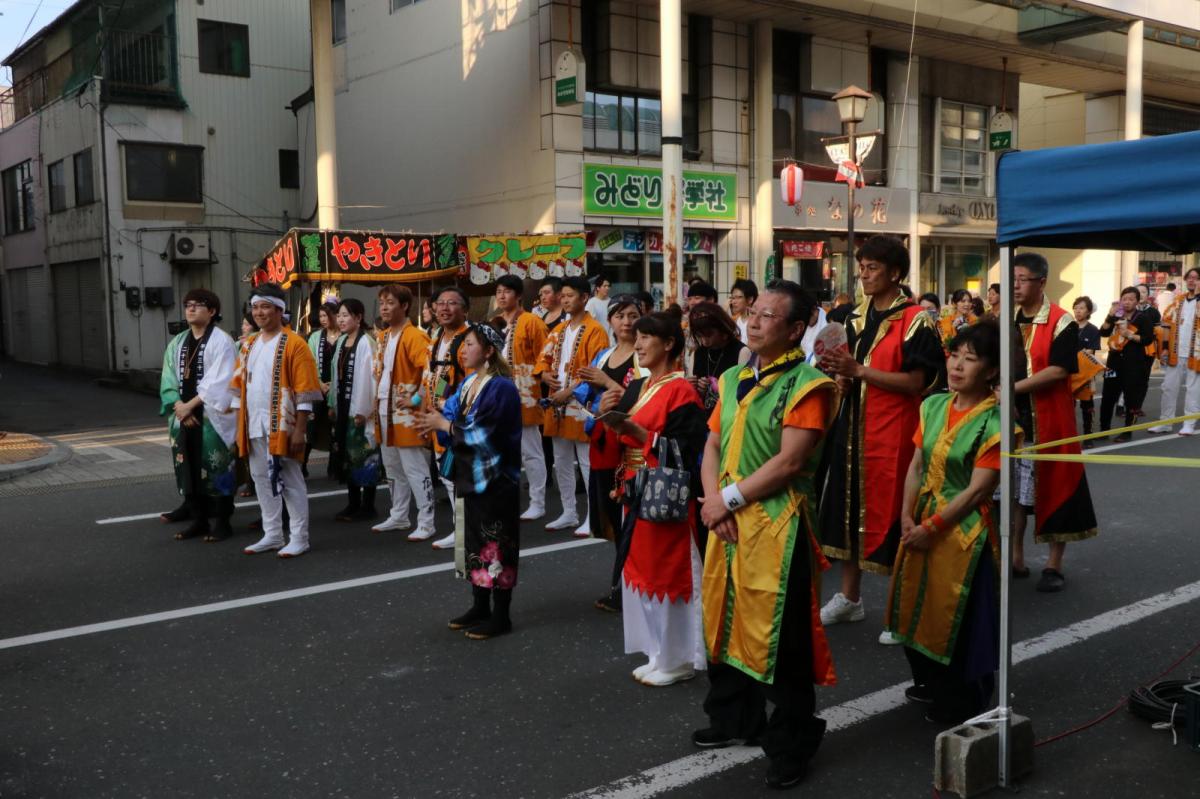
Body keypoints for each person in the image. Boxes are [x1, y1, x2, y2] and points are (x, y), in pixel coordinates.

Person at [694, 280, 837, 791]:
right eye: (752, 312)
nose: (753, 321)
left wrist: (726, 500)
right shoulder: (733, 375)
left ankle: (791, 743)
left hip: (778, 526)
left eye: (767, 316)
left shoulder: (809, 385)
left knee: (783, 639)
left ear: (796, 329)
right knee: (723, 619)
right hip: (727, 520)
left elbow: (792, 461)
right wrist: (714, 502)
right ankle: (734, 719)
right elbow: (712, 444)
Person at [817, 235, 944, 642]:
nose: (864, 274)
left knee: (892, 514)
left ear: (895, 273)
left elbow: (919, 382)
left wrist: (859, 372)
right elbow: (851, 371)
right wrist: (839, 375)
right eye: (862, 267)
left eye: (872, 268)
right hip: (851, 428)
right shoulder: (853, 316)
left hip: (894, 432)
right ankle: (850, 598)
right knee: (848, 508)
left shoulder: (916, 320)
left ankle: (900, 608)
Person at [887, 320, 1007, 725]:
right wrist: (906, 516)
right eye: (954, 355)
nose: (956, 365)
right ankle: (930, 684)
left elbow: (977, 490)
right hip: (920, 524)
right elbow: (916, 465)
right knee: (915, 608)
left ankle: (964, 700)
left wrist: (931, 527)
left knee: (958, 619)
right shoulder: (933, 405)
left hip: (965, 536)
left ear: (991, 370)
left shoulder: (997, 421)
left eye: (969, 359)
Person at [597, 311, 707, 686]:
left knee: (667, 569)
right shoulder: (641, 386)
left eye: (647, 338)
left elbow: (690, 450)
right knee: (641, 569)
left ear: (669, 344)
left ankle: (680, 657)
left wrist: (638, 433)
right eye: (637, 337)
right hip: (636, 485)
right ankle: (658, 652)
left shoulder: (682, 390)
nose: (638, 344)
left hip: (663, 490)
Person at [416, 324, 523, 640]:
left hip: (496, 478)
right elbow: (450, 417)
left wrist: (445, 425)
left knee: (497, 543)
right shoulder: (468, 384)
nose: (463, 350)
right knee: (474, 540)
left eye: (471, 344)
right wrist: (433, 418)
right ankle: (480, 604)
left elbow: (485, 432)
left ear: (489, 350)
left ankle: (501, 614)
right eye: (462, 346)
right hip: (471, 473)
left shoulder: (501, 387)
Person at [1010, 252, 1098, 593]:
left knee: (1058, 488)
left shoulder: (1061, 321)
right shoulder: (1008, 319)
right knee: (1015, 493)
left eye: (1023, 279)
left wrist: (1013, 388)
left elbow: (1060, 370)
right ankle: (1015, 558)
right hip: (1014, 420)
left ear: (1041, 282)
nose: (1016, 286)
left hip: (1050, 418)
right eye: (1013, 280)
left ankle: (1053, 564)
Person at [230, 283, 322, 558]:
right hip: (254, 423)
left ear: (280, 310)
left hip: (284, 424)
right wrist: (237, 426)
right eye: (255, 307)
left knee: (290, 480)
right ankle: (272, 534)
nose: (259, 313)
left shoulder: (295, 343)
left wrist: (299, 431)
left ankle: (299, 537)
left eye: (265, 307)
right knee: (260, 478)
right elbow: (237, 387)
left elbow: (305, 392)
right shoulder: (249, 344)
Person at [574, 294, 643, 612]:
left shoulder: (643, 356)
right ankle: (624, 579)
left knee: (631, 514)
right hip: (603, 441)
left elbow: (642, 396)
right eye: (620, 315)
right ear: (611, 320)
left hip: (629, 442)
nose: (626, 322)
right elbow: (585, 395)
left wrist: (607, 383)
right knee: (612, 515)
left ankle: (627, 584)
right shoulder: (604, 355)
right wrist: (593, 403)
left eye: (632, 315)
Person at [158, 289, 238, 542]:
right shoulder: (177, 342)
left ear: (212, 311)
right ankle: (199, 520)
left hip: (211, 418)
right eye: (187, 305)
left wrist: (189, 407)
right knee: (189, 468)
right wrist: (178, 407)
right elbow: (168, 379)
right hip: (184, 416)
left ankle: (223, 521)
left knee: (218, 467)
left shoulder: (222, 341)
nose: (191, 309)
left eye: (198, 305)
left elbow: (221, 382)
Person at [537, 275, 610, 536]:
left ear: (584, 298)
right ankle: (569, 511)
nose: (565, 300)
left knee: (587, 461)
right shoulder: (557, 330)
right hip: (557, 404)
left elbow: (595, 369)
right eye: (563, 296)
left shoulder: (596, 331)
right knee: (561, 460)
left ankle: (593, 514)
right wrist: (544, 375)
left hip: (580, 404)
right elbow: (543, 359)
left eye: (571, 296)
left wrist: (568, 391)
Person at [372, 285, 437, 538]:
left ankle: (426, 520)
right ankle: (399, 515)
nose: (384, 308)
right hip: (385, 409)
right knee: (392, 467)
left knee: (414, 466)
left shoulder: (415, 336)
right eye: (381, 303)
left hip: (407, 413)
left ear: (405, 305)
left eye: (389, 302)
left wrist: (418, 397)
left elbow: (430, 372)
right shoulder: (383, 336)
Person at [491, 275, 551, 520]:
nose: (502, 295)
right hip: (497, 395)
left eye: (507, 291)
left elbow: (545, 356)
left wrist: (543, 374)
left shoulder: (532, 322)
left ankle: (538, 501)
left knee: (531, 451)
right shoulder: (493, 323)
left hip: (525, 394)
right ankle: (505, 498)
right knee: (501, 451)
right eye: (498, 291)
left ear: (518, 296)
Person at [422, 285, 474, 549]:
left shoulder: (470, 340)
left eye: (452, 303)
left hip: (462, 421)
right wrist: (425, 402)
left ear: (465, 309)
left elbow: (475, 380)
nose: (444, 308)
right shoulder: (437, 338)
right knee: (448, 474)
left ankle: (469, 531)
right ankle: (461, 527)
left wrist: (449, 405)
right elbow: (440, 376)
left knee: (463, 475)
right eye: (440, 303)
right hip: (440, 418)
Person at [327, 298, 382, 521]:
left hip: (359, 410)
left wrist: (363, 410)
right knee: (347, 456)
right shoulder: (341, 342)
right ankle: (353, 502)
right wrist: (332, 402)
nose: (341, 320)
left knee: (365, 456)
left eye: (346, 315)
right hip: (343, 407)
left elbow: (369, 379)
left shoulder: (366, 342)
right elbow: (334, 374)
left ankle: (368, 506)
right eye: (338, 315)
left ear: (358, 318)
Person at [1098, 287, 1157, 443]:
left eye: (1131, 299)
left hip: (1134, 363)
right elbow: (1103, 332)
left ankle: (1127, 432)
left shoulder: (1142, 318)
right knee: (1107, 397)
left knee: (1131, 398)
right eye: (1124, 299)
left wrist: (1129, 335)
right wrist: (1110, 315)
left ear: (1137, 301)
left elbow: (1148, 339)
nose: (1127, 302)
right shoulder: (1116, 315)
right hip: (1113, 362)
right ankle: (1103, 430)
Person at [1149, 268, 1200, 436]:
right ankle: (1166, 422)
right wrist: (1163, 348)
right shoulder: (1178, 301)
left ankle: (1189, 423)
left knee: (1193, 390)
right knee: (1168, 387)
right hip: (1175, 352)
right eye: (1190, 278)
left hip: (1196, 354)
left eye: (1197, 278)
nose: (1192, 281)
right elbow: (1166, 324)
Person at [687, 303, 749, 411]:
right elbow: (695, 399)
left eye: (709, 335)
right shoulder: (697, 353)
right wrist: (694, 388)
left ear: (722, 329)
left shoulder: (741, 352)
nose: (704, 341)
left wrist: (715, 390)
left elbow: (744, 395)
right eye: (699, 336)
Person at [306, 301, 340, 468]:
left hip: (338, 386)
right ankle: (303, 462)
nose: (323, 319)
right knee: (311, 424)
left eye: (326, 315)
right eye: (320, 316)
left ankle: (335, 466)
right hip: (318, 387)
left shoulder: (345, 336)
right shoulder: (315, 337)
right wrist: (319, 383)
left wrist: (334, 384)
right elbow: (310, 362)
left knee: (336, 426)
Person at [1071, 297, 1103, 446]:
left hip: (1085, 373)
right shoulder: (1068, 327)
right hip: (1069, 372)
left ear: (1089, 311)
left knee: (1087, 406)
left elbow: (1090, 350)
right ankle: (1069, 435)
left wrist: (1078, 354)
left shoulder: (1092, 330)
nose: (1078, 311)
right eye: (1076, 307)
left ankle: (1088, 435)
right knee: (1067, 405)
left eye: (1082, 308)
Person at [585, 275, 613, 342]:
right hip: (596, 339)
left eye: (608, 286)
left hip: (611, 340)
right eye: (604, 286)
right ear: (598, 288)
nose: (607, 288)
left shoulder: (612, 302)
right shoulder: (591, 303)